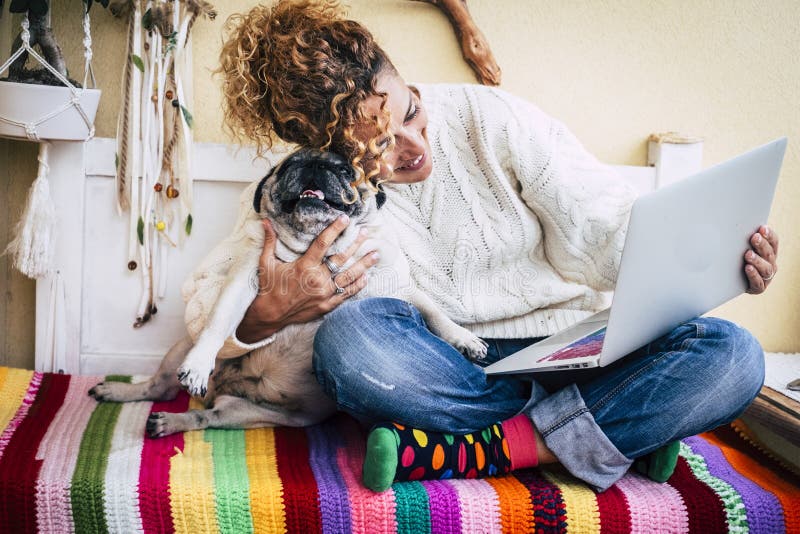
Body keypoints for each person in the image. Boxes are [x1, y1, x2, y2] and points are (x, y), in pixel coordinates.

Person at [205, 0, 779, 492]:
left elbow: (606, 228)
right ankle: (614, 427)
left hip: (571, 350)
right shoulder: (297, 191)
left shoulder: (493, 119)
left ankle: (474, 449)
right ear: (326, 151)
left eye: (410, 111)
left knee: (733, 354)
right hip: (446, 368)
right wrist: (262, 317)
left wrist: (718, 259)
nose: (414, 146)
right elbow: (211, 311)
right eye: (379, 147)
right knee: (350, 347)